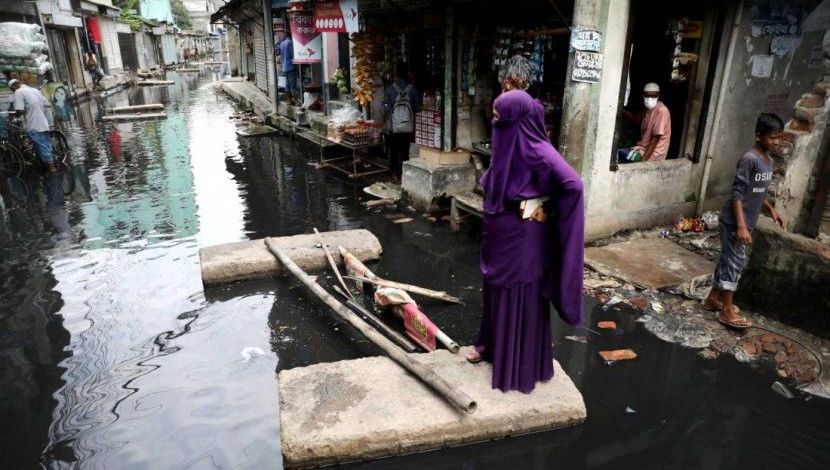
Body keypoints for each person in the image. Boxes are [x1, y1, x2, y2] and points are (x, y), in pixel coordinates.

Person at [466, 83, 585, 393]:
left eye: (498, 118)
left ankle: (518, 367)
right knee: (494, 291)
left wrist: (538, 207)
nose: (494, 124)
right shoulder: (509, 146)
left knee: (517, 295)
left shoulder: (538, 150)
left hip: (523, 245)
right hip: (499, 238)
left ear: (515, 120)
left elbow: (573, 185)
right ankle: (490, 347)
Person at [704, 113, 785, 329]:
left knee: (727, 259)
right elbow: (737, 194)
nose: (776, 142)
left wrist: (771, 210)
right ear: (759, 136)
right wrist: (740, 226)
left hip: (746, 221)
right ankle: (726, 310)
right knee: (735, 263)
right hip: (734, 222)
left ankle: (713, 298)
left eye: (779, 137)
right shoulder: (750, 159)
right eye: (772, 137)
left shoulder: (768, 162)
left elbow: (758, 191)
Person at [383, 61, 421, 180]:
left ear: (397, 73)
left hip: (394, 126)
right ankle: (404, 172)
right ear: (407, 73)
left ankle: (394, 173)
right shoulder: (413, 89)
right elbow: (417, 108)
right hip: (408, 125)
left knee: (394, 149)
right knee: (405, 150)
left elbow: (387, 107)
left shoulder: (390, 89)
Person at [10, 79, 56, 172]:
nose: (13, 91)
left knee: (43, 146)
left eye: (12, 90)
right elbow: (46, 104)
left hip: (34, 124)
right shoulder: (35, 90)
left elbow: (20, 110)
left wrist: (13, 114)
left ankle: (52, 168)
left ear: (14, 87)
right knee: (43, 145)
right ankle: (45, 166)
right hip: (43, 122)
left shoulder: (18, 92)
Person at [619, 83, 671, 162]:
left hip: (653, 153)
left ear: (658, 96)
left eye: (653, 96)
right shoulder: (646, 109)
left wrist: (643, 161)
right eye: (647, 95)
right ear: (643, 95)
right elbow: (637, 120)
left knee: (618, 154)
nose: (650, 98)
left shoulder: (662, 111)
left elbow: (655, 138)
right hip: (642, 148)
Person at [278, 33, 297, 104]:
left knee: (287, 84)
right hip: (290, 66)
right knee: (292, 84)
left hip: (285, 67)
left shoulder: (282, 44)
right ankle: (296, 100)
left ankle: (289, 100)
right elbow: (293, 54)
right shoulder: (290, 43)